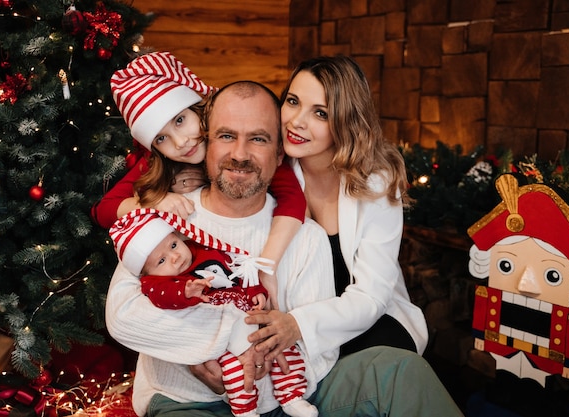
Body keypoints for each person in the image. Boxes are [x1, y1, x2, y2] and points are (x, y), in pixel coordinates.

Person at [105, 79, 463, 417]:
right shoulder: (164, 219)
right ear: (206, 144)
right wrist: (207, 351)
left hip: (288, 401)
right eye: (227, 136)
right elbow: (122, 317)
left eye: (258, 139)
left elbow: (319, 355)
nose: (240, 154)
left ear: (280, 155)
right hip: (188, 401)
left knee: (400, 370)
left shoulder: (305, 237)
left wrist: (257, 370)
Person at [247, 55, 428, 358]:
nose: (296, 121)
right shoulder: (269, 170)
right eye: (292, 101)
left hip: (369, 319)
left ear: (346, 120)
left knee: (388, 365)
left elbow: (372, 295)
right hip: (290, 322)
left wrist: (299, 325)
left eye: (320, 113)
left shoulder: (376, 183)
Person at [93, 51, 307, 307]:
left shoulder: (247, 152)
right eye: (161, 138)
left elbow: (293, 198)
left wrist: (267, 267)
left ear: (200, 110)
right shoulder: (158, 162)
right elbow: (102, 210)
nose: (180, 142)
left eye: (181, 120)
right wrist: (155, 201)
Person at [109, 208, 317, 417]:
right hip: (224, 342)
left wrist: (257, 292)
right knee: (236, 373)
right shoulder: (156, 283)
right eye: (161, 261)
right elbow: (163, 297)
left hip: (250, 316)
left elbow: (238, 274)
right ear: (146, 273)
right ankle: (246, 411)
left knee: (286, 352)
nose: (174, 257)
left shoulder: (203, 251)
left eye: (173, 245)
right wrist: (184, 292)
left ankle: (292, 396)